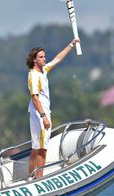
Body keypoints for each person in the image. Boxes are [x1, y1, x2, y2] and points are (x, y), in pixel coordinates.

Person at [26, 38, 80, 179]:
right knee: (42, 148)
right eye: (41, 57)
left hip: (41, 112)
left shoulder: (43, 71)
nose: (44, 59)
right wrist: (44, 117)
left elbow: (57, 59)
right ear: (34, 60)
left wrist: (71, 44)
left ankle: (31, 176)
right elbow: (35, 98)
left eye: (44, 56)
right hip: (40, 113)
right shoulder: (33, 75)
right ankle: (39, 178)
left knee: (37, 146)